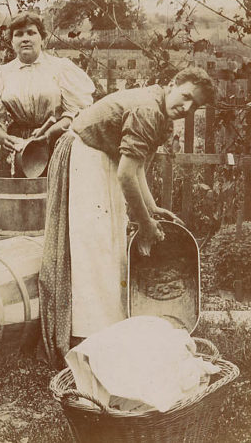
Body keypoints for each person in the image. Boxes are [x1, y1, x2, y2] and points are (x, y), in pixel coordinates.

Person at [38, 67, 215, 367]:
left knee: (109, 244)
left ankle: (104, 330)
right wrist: (145, 225)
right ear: (171, 84)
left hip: (101, 158)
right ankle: (86, 338)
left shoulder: (160, 112)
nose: (187, 108)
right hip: (84, 154)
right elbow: (126, 175)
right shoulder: (147, 110)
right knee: (93, 248)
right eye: (185, 96)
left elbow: (137, 167)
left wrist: (152, 207)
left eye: (195, 106)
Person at [0, 12, 95, 172]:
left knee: (52, 194)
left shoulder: (61, 68)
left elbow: (77, 112)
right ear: (12, 42)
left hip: (54, 142)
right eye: (18, 34)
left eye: (31, 33)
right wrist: (4, 138)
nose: (25, 38)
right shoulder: (2, 73)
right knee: (15, 194)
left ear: (42, 38)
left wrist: (49, 134)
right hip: (16, 146)